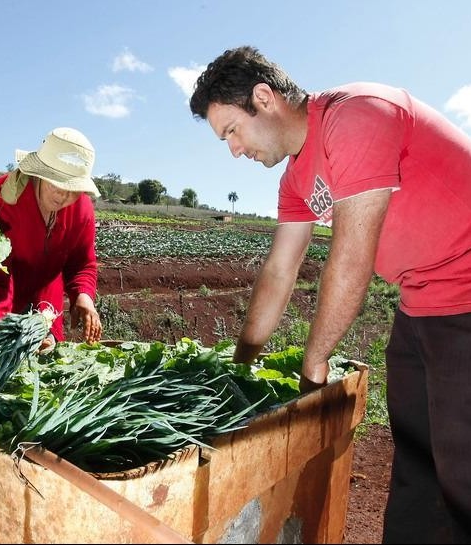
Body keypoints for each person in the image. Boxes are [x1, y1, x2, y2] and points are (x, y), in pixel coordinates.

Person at [190, 45, 471, 544]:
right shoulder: (295, 179)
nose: (233, 149)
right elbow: (280, 270)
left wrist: (314, 365)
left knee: (462, 470)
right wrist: (242, 362)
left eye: (232, 130)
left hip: (466, 296)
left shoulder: (356, 115)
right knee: (417, 469)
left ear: (264, 97)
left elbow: (352, 255)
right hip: (420, 301)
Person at [0, 126, 103, 360]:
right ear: (39, 174)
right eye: (55, 184)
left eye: (71, 189)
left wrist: (84, 297)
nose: (62, 196)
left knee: (46, 361)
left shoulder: (82, 209)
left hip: (42, 287)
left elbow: (82, 262)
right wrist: (0, 328)